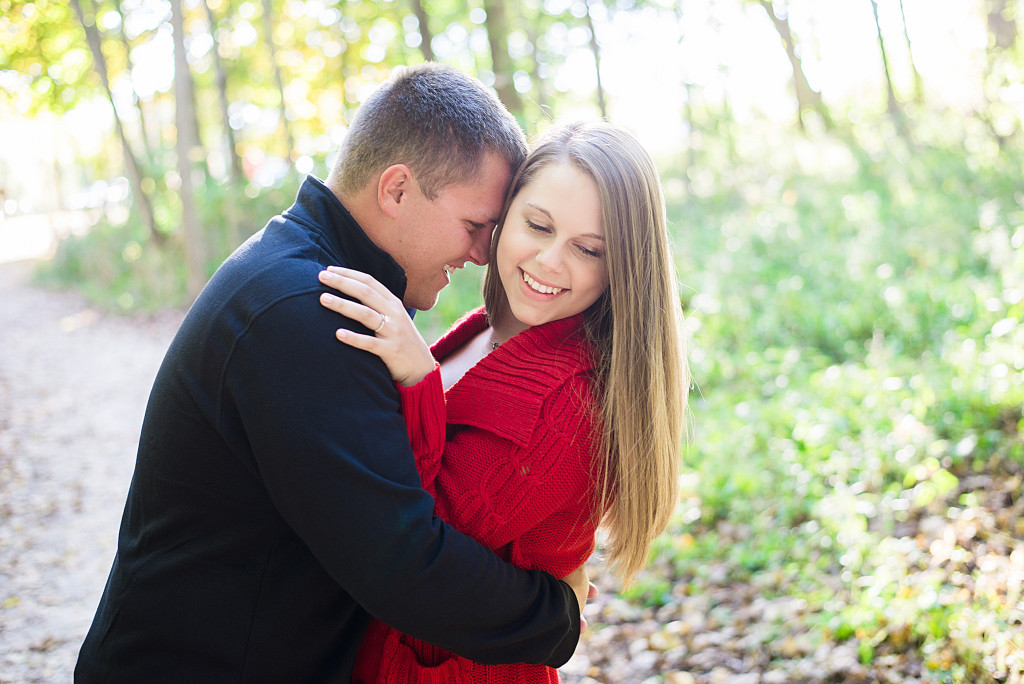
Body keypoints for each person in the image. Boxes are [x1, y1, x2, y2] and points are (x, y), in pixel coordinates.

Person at [75, 63, 592, 683]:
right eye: (474, 225)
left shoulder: (305, 273)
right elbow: (402, 562)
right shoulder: (309, 312)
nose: (483, 251)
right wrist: (555, 617)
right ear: (397, 190)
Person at [317, 121, 690, 682]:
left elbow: (415, 560)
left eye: (588, 249)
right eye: (537, 225)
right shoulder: (487, 331)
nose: (549, 262)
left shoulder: (564, 404)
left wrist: (419, 382)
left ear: (621, 270)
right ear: (501, 215)